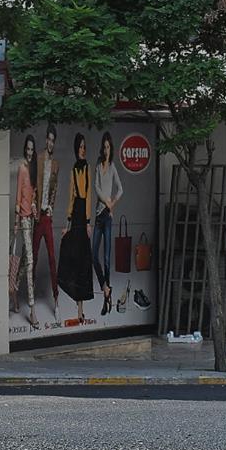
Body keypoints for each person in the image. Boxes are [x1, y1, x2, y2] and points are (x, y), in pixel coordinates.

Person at [57, 132, 95, 322]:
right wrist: (67, 223)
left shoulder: (87, 167)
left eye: (84, 147)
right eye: (80, 147)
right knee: (72, 257)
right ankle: (76, 306)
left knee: (83, 262)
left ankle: (80, 309)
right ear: (75, 149)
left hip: (84, 215)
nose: (83, 150)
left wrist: (88, 222)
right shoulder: (74, 168)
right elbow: (71, 196)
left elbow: (88, 195)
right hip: (76, 214)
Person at [91, 131, 124, 315]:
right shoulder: (98, 165)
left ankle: (106, 301)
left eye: (108, 147)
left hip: (108, 216)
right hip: (99, 214)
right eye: (104, 147)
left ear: (111, 148)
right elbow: (96, 187)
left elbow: (121, 189)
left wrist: (112, 204)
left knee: (106, 258)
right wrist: (107, 202)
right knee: (93, 254)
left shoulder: (112, 167)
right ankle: (105, 287)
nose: (105, 150)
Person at [12, 135, 40, 329]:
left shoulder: (34, 168)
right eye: (27, 150)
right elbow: (18, 194)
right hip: (23, 220)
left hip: (32, 218)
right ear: (25, 150)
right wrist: (16, 221)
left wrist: (34, 205)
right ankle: (32, 309)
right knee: (30, 261)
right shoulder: (22, 168)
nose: (30, 153)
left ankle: (13, 288)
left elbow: (33, 194)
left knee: (24, 260)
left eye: (32, 150)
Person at [32, 123, 60, 309]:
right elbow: (34, 183)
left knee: (51, 256)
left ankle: (56, 298)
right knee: (33, 256)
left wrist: (51, 206)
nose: (50, 143)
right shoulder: (39, 158)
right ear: (45, 140)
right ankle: (30, 292)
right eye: (48, 139)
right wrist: (34, 204)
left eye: (53, 140)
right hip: (37, 217)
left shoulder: (56, 164)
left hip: (47, 217)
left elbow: (54, 189)